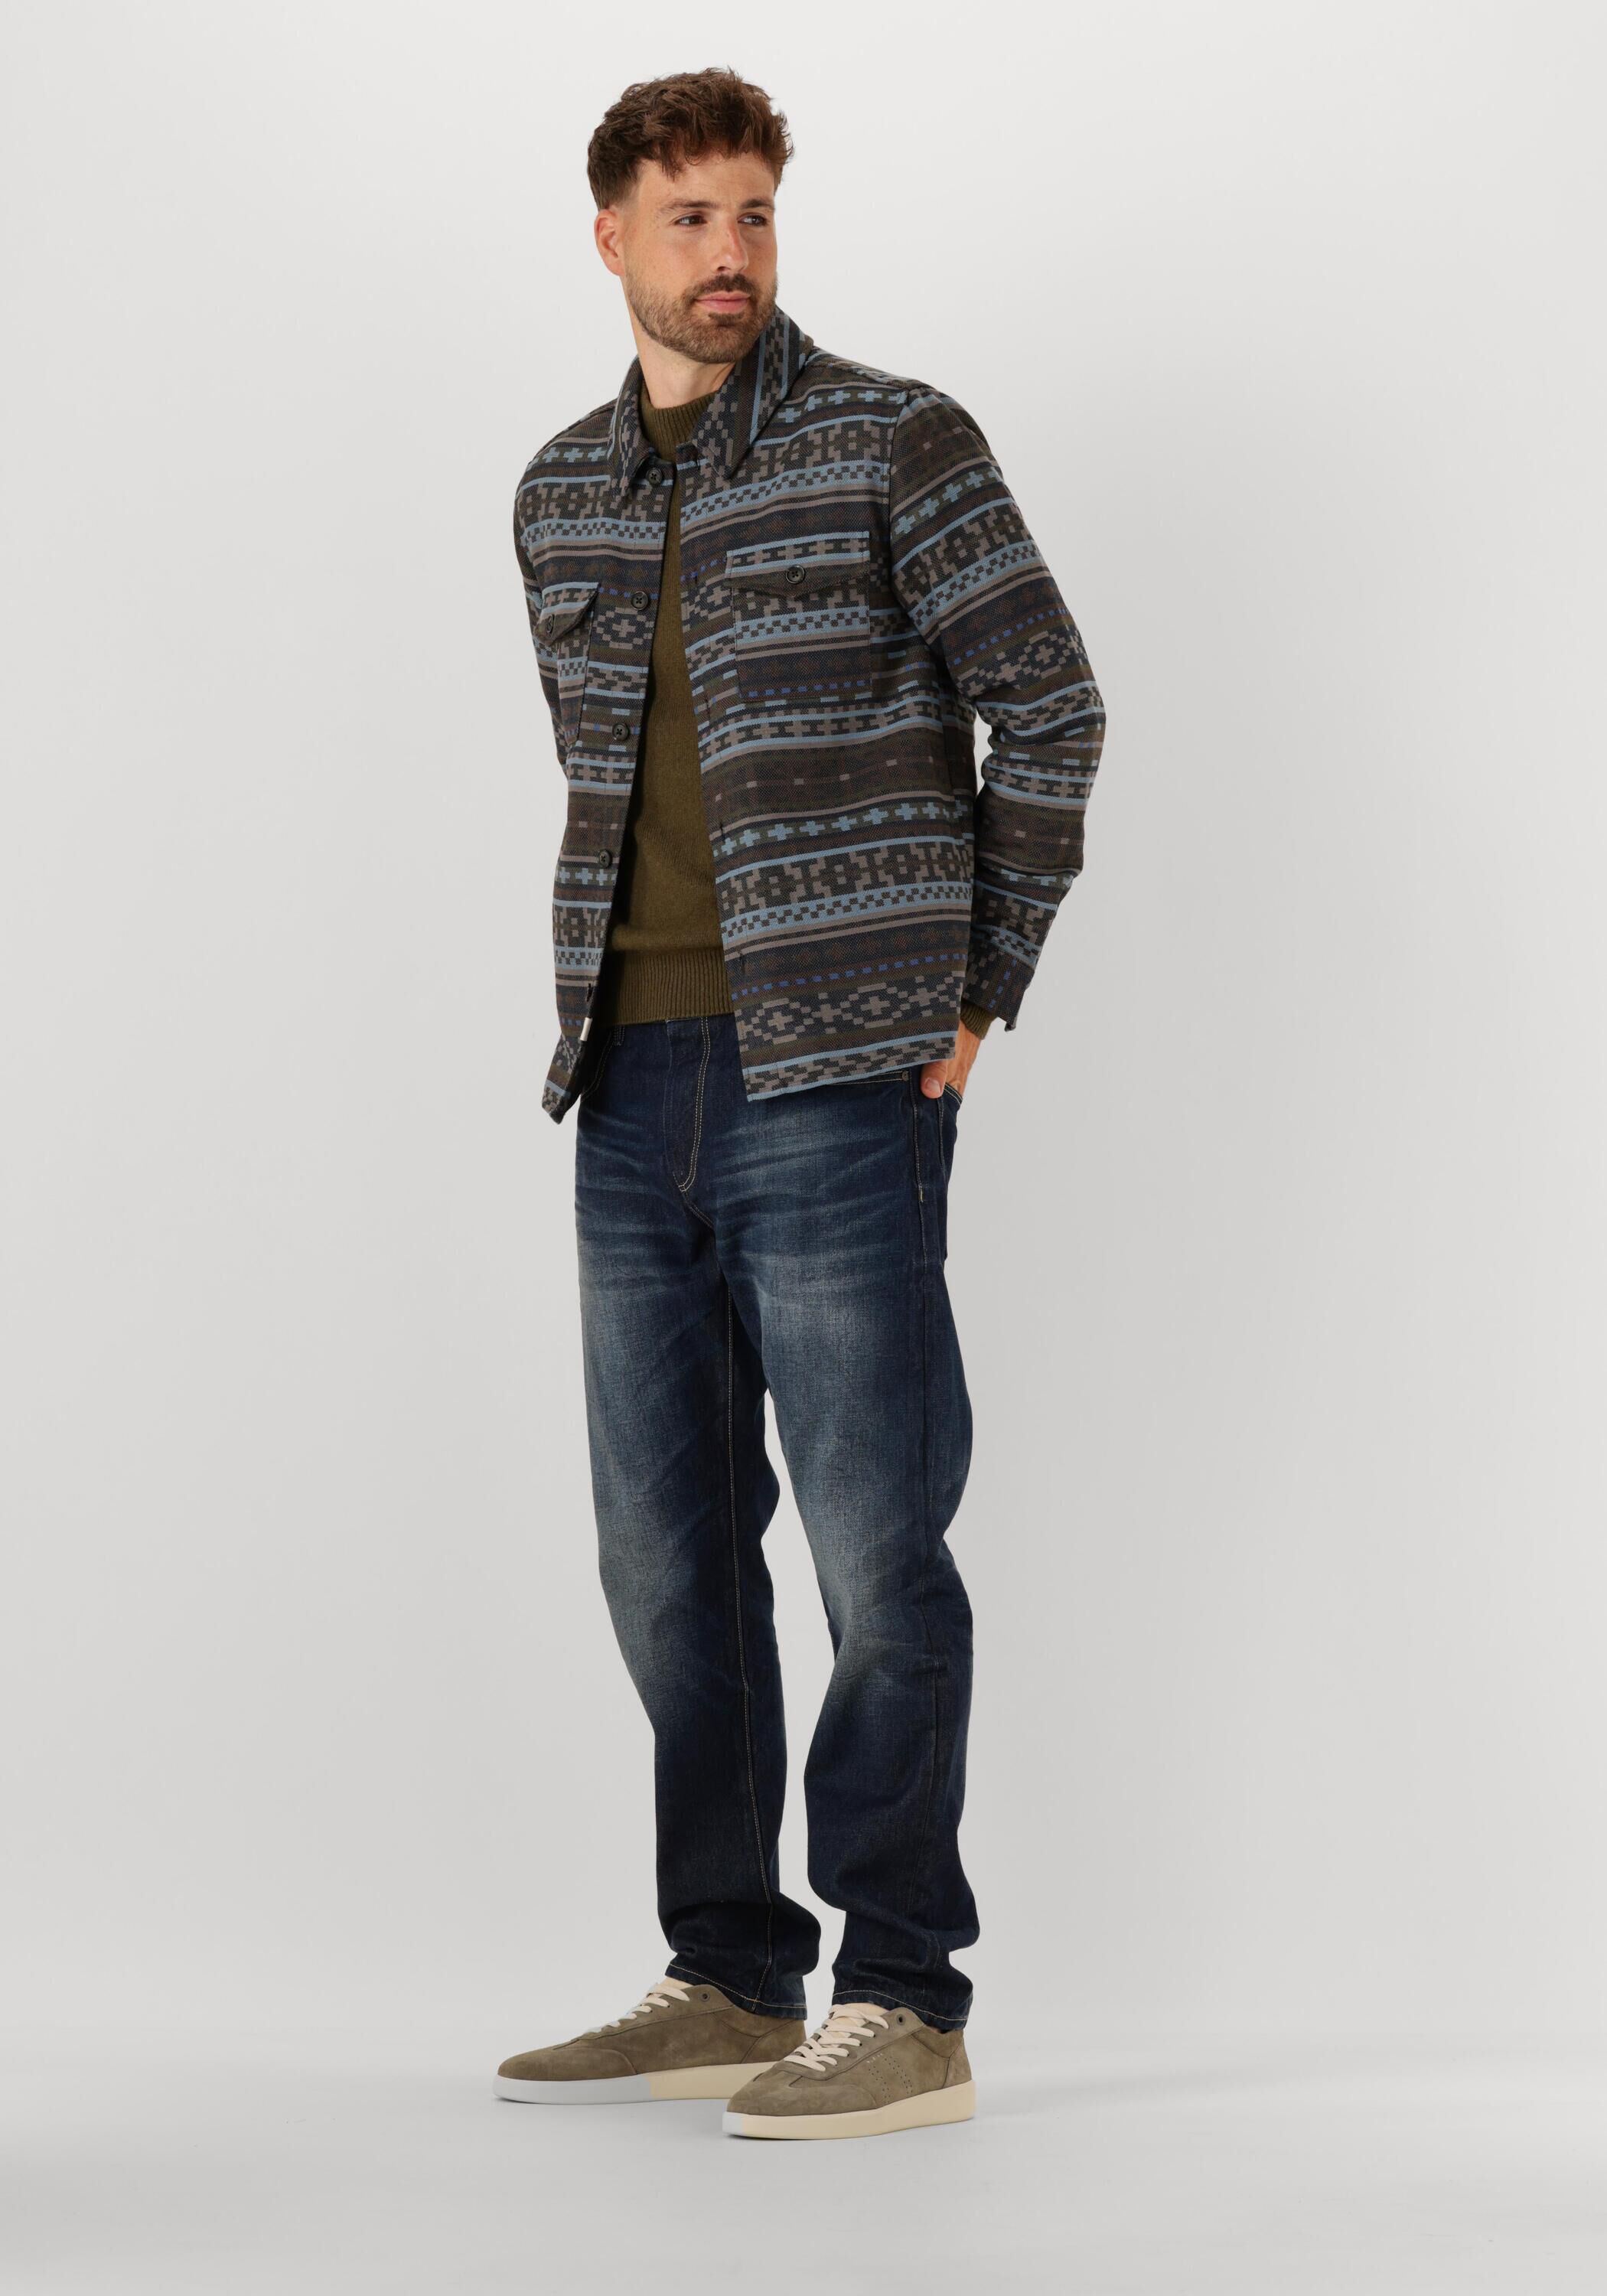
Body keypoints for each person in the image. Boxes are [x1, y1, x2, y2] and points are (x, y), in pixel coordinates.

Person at [497, 67, 1106, 2142]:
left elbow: (1049, 704)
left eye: (753, 213)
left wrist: (977, 984)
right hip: (627, 1078)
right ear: (611, 237)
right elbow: (602, 773)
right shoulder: (559, 491)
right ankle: (731, 1970)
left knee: (872, 1544)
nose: (730, 253)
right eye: (689, 218)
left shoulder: (892, 438)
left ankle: (906, 1994)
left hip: (839, 1075)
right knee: (664, 1561)